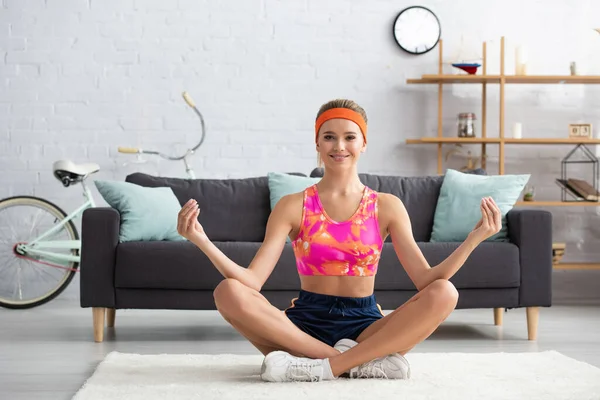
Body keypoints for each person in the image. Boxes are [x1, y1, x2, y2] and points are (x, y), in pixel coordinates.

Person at [176, 99, 502, 382]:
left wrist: (475, 238)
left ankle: (320, 367)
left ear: (363, 143)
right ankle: (356, 363)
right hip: (303, 325)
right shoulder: (293, 205)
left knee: (445, 292)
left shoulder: (386, 206)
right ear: (317, 143)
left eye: (349, 137)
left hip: (366, 325)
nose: (339, 146)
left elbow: (426, 279)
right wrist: (202, 240)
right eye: (329, 137)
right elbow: (252, 281)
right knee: (228, 291)